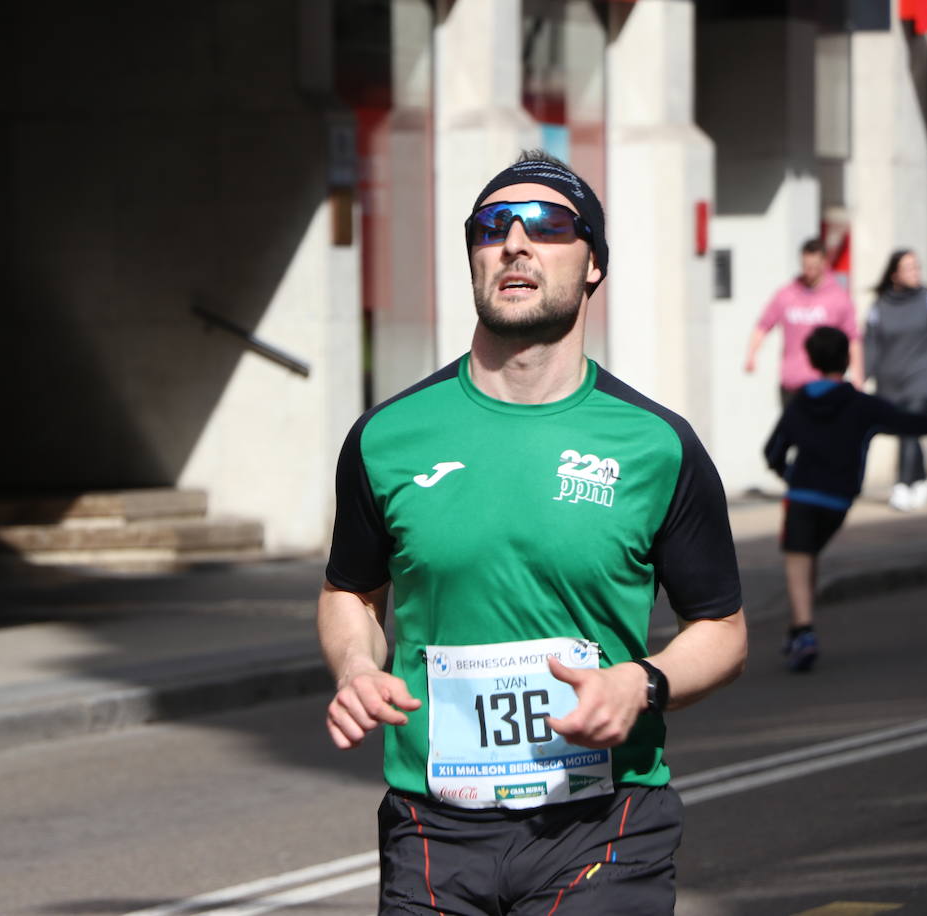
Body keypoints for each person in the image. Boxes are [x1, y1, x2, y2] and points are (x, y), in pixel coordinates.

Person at [317, 150, 747, 915]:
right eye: (491, 227)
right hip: (431, 830)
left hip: (604, 827)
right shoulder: (387, 437)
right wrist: (356, 665)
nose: (514, 241)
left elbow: (721, 628)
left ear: (591, 266)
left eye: (547, 224)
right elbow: (350, 591)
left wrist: (641, 683)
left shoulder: (655, 446)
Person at [764, 325, 927, 672]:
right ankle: (801, 626)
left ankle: (803, 629)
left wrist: (788, 475)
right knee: (809, 552)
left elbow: (773, 451)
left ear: (812, 360)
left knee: (798, 555)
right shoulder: (861, 405)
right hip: (839, 499)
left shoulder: (800, 402)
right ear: (846, 359)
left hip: (802, 492)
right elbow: (908, 422)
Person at [863, 248, 927, 512]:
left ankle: (902, 485)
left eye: (917, 267)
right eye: (909, 268)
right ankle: (920, 479)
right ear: (894, 274)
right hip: (891, 380)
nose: (916, 272)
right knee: (909, 430)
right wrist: (864, 376)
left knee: (910, 425)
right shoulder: (880, 305)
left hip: (922, 375)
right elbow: (871, 344)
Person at [744, 238, 864, 403]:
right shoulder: (786, 294)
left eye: (814, 266)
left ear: (824, 263)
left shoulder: (838, 297)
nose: (809, 271)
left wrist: (857, 375)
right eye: (806, 266)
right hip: (792, 385)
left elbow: (853, 338)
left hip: (825, 384)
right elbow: (763, 326)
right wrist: (751, 355)